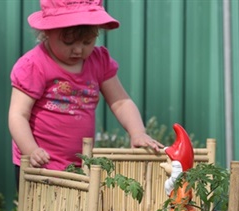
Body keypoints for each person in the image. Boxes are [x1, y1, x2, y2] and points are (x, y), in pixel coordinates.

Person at [8, 0, 164, 185]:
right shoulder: (34, 65)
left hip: (81, 166)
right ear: (46, 32)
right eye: (68, 42)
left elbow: (121, 102)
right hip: (40, 166)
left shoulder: (98, 61)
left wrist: (137, 132)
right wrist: (31, 150)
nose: (78, 49)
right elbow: (18, 115)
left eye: (87, 42)